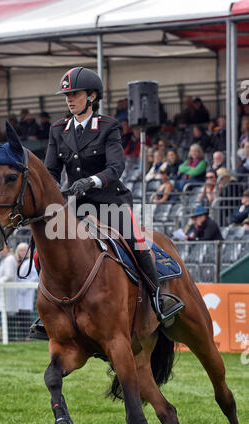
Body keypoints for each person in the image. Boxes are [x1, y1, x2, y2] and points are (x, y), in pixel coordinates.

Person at [44, 66, 184, 325]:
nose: (69, 100)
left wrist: (91, 181)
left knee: (136, 242)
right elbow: (51, 169)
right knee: (45, 246)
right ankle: (50, 309)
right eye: (67, 95)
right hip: (76, 205)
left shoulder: (108, 126)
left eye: (75, 94)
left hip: (109, 201)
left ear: (92, 97)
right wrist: (52, 191)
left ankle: (157, 298)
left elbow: (116, 168)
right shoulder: (58, 129)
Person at [0, 244, 18, 342]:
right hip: (1, 291)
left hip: (5, 291)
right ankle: (0, 332)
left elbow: (9, 276)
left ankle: (0, 332)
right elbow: (2, 273)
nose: (1, 250)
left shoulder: (9, 260)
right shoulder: (5, 259)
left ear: (8, 249)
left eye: (3, 248)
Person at [15, 242, 38, 340]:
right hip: (18, 292)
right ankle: (24, 336)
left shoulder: (30, 262)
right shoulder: (19, 262)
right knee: (21, 316)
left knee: (25, 316)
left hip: (26, 292)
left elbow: (35, 277)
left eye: (24, 250)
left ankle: (28, 336)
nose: (22, 252)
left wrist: (24, 286)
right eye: (20, 250)